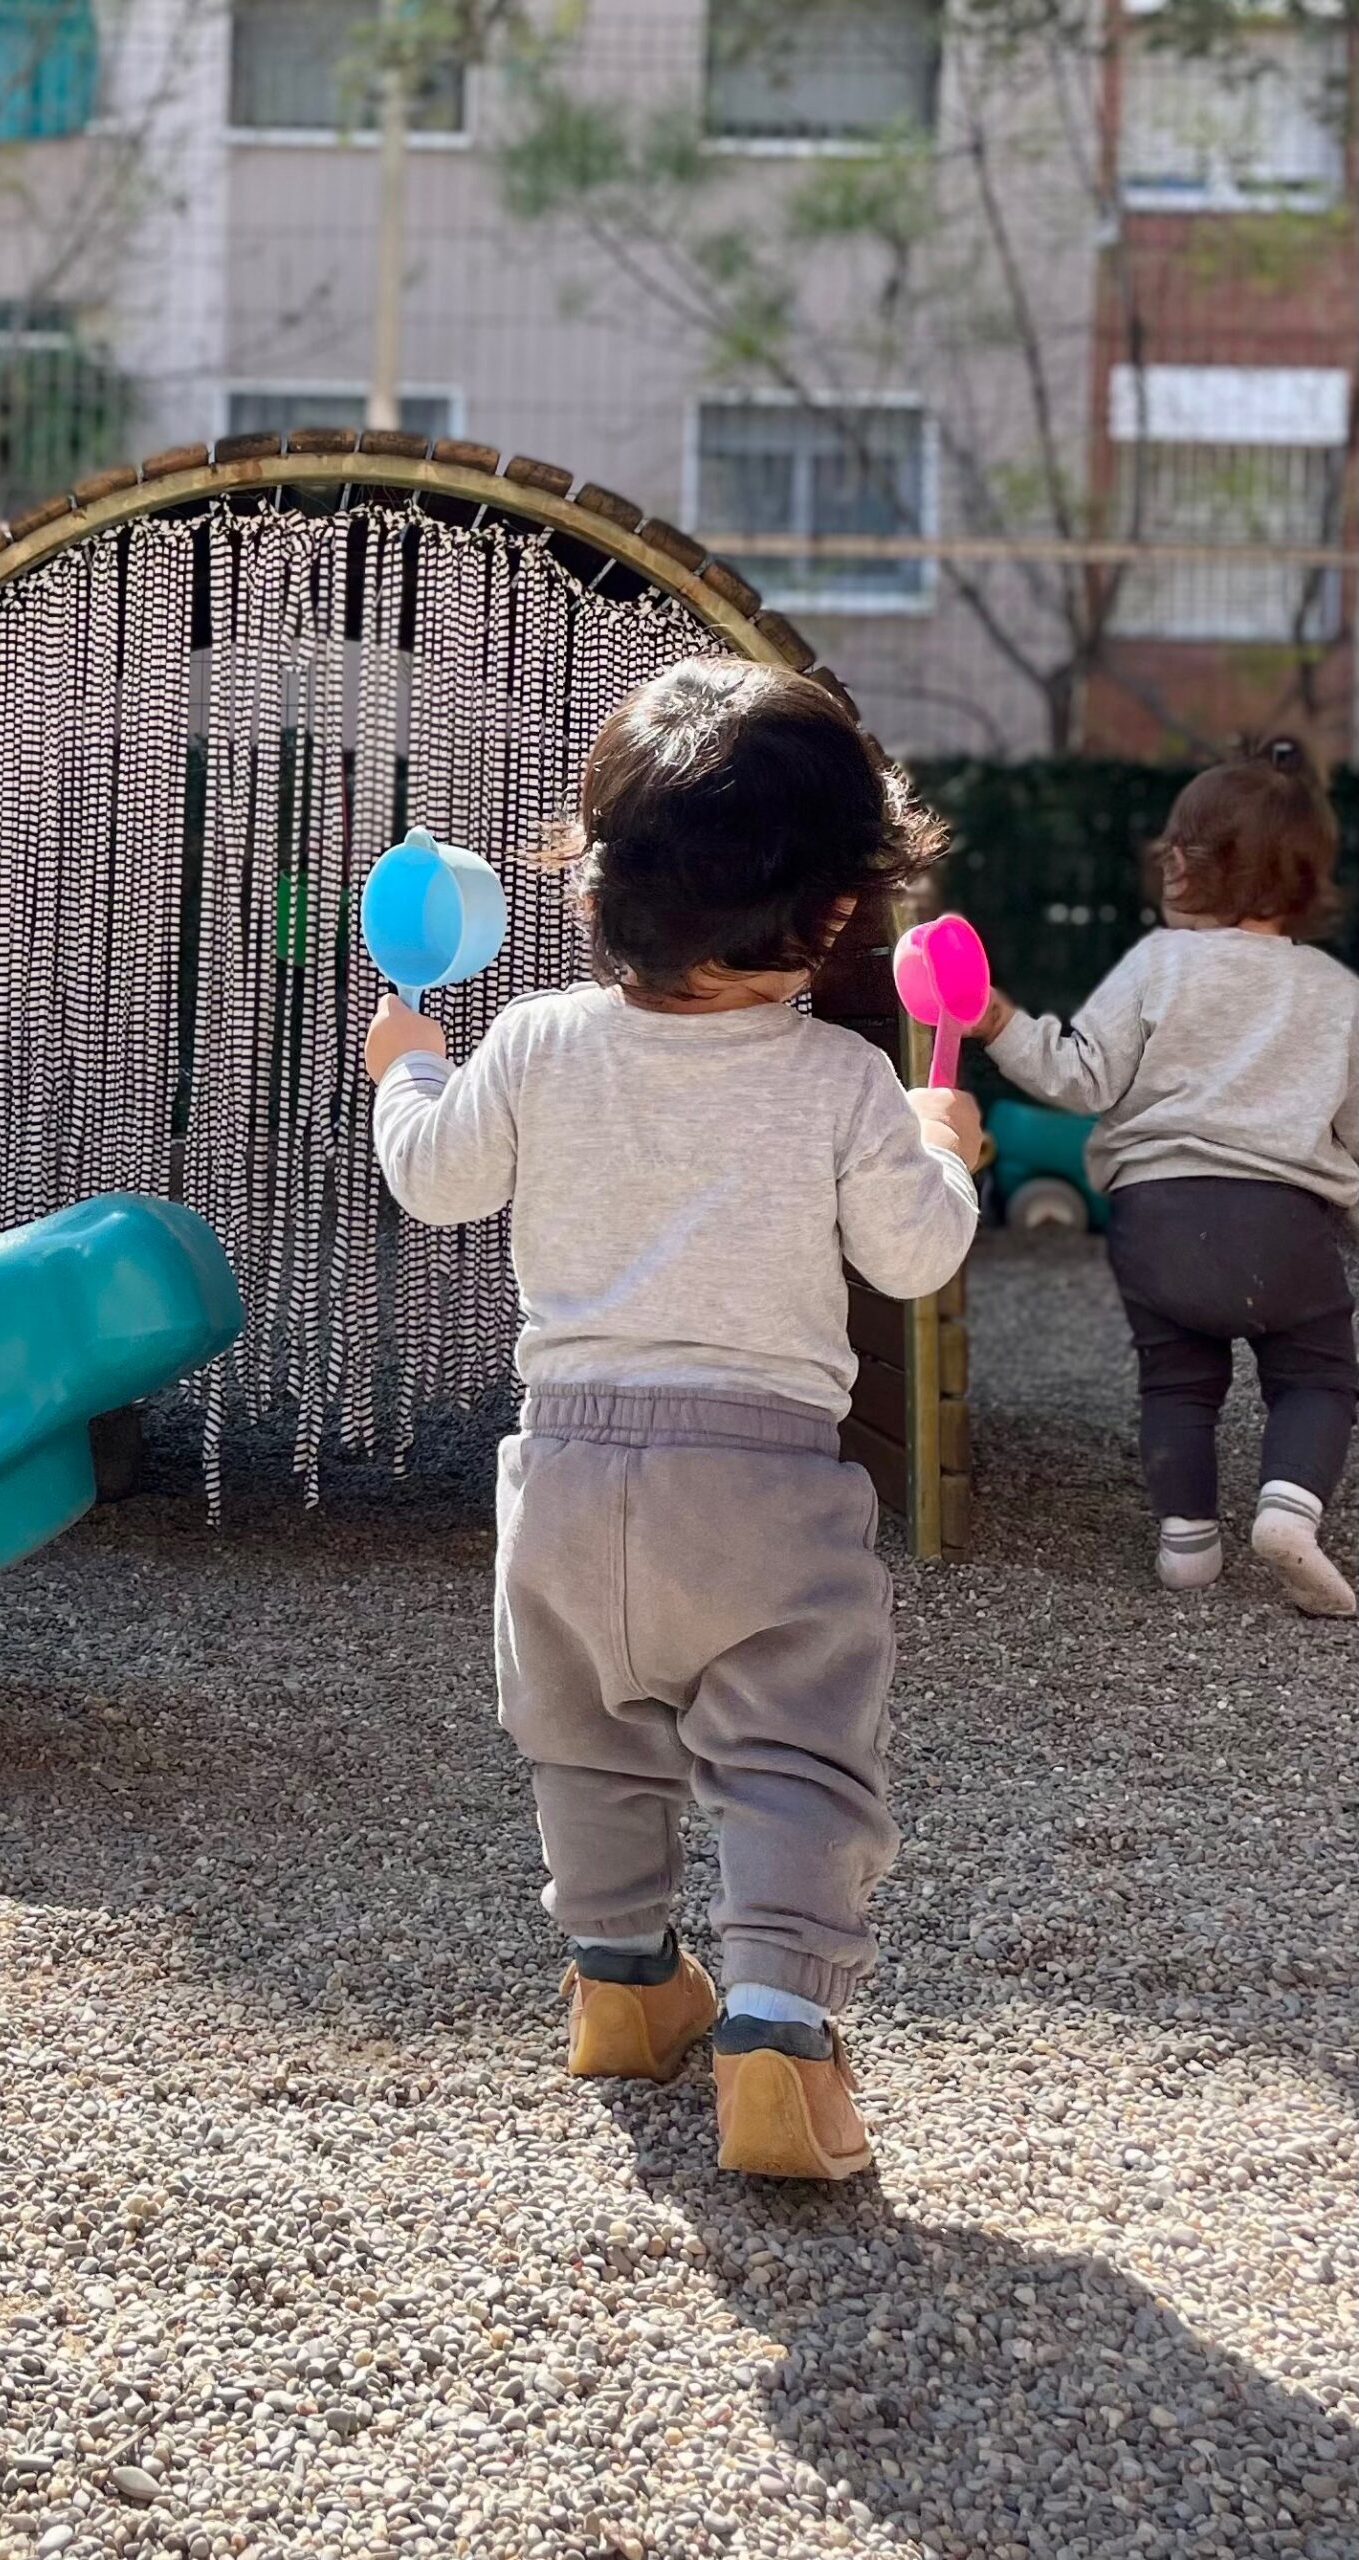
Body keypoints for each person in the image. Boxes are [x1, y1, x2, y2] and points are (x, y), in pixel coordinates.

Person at [365, 659, 981, 2181]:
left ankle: (624, 1987)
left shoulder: (532, 1040)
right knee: (794, 1757)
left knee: (586, 1744)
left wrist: (406, 1070)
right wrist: (940, 1140)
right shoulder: (844, 1078)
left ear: (595, 881)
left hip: (566, 1478)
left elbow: (435, 1181)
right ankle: (776, 2032)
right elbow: (916, 1257)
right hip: (761, 1487)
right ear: (832, 915)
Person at [979, 739, 1359, 1617]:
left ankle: (1187, 1540)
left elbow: (1082, 1078)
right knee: (1316, 1377)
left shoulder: (1158, 963)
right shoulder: (1336, 993)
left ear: (1190, 866)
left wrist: (999, 1022)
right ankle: (1288, 1509)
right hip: (1283, 1228)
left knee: (1177, 1382)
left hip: (1155, 1220)